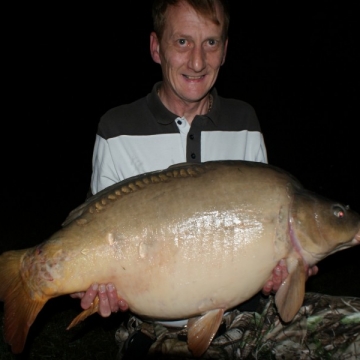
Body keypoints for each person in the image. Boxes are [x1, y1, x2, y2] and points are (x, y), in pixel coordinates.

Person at [72, 1, 360, 359]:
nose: (197, 61)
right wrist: (90, 288)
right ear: (155, 47)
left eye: (210, 43)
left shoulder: (245, 121)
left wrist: (278, 276)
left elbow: (273, 278)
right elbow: (87, 241)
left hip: (244, 319)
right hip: (151, 328)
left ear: (225, 51)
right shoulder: (116, 129)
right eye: (182, 42)